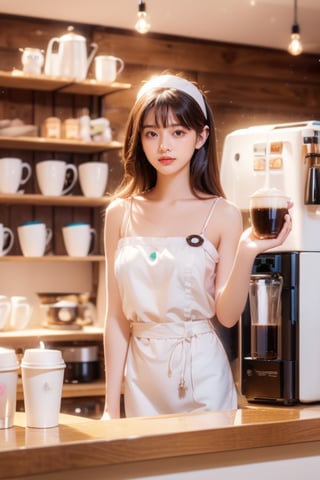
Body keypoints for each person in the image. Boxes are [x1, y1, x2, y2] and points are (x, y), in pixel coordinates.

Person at [102, 74, 292, 419]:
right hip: (141, 380)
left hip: (203, 378)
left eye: (178, 132)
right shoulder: (120, 213)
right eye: (152, 133)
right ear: (139, 139)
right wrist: (110, 405)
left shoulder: (223, 214)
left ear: (201, 136)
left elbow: (227, 315)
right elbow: (115, 318)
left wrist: (248, 251)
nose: (164, 146)